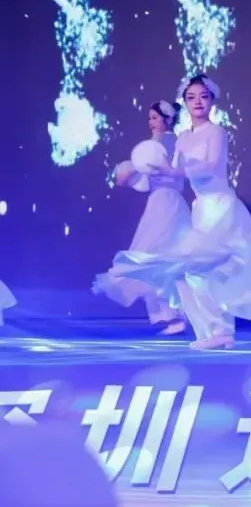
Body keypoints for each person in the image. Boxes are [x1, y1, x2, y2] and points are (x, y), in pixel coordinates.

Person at [96, 74, 251, 350]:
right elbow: (172, 171)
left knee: (202, 268)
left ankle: (220, 330)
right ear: (184, 102)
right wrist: (141, 170)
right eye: (191, 97)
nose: (197, 102)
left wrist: (172, 170)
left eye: (203, 97)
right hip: (201, 210)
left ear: (211, 101)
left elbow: (209, 166)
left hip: (221, 207)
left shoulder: (217, 133)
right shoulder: (182, 138)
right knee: (186, 273)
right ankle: (212, 331)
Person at [94, 100, 190, 334]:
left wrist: (132, 169)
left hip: (166, 202)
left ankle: (172, 315)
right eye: (149, 118)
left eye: (155, 118)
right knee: (162, 255)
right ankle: (172, 315)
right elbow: (135, 177)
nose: (151, 122)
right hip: (164, 202)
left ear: (168, 119)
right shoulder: (164, 144)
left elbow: (143, 173)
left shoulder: (165, 143)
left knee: (157, 254)